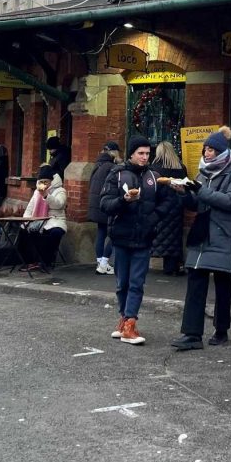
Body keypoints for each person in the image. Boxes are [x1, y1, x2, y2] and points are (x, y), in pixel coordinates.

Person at [169, 127, 231, 351]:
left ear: (221, 152)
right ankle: (192, 334)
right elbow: (198, 204)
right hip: (202, 233)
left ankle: (221, 330)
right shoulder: (202, 174)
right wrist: (183, 193)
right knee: (195, 282)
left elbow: (230, 202)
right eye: (205, 149)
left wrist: (199, 190)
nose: (207, 154)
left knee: (222, 283)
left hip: (223, 234)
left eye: (211, 150)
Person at [100, 136, 174, 346]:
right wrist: (123, 201)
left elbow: (168, 201)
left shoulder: (154, 176)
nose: (144, 157)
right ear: (131, 153)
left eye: (147, 154)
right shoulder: (118, 174)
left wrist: (153, 218)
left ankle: (131, 322)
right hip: (121, 236)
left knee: (136, 282)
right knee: (122, 282)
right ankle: (124, 318)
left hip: (144, 237)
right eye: (140, 153)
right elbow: (104, 203)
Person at [150, 140, 187, 275]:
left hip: (160, 206)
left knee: (160, 235)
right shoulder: (181, 168)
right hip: (177, 207)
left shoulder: (154, 168)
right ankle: (171, 266)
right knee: (174, 238)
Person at [19, 165, 66, 271]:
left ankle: (45, 261)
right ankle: (30, 261)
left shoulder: (60, 191)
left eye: (46, 182)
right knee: (24, 230)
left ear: (51, 181)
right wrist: (26, 220)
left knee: (53, 233)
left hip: (54, 220)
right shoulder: (36, 192)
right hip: (38, 220)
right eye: (41, 182)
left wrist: (46, 196)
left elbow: (59, 205)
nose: (44, 184)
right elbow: (29, 209)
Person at [86, 141, 120, 275]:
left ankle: (100, 262)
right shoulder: (111, 167)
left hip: (96, 204)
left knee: (101, 233)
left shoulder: (98, 165)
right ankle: (104, 263)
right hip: (107, 204)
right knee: (114, 233)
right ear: (114, 152)